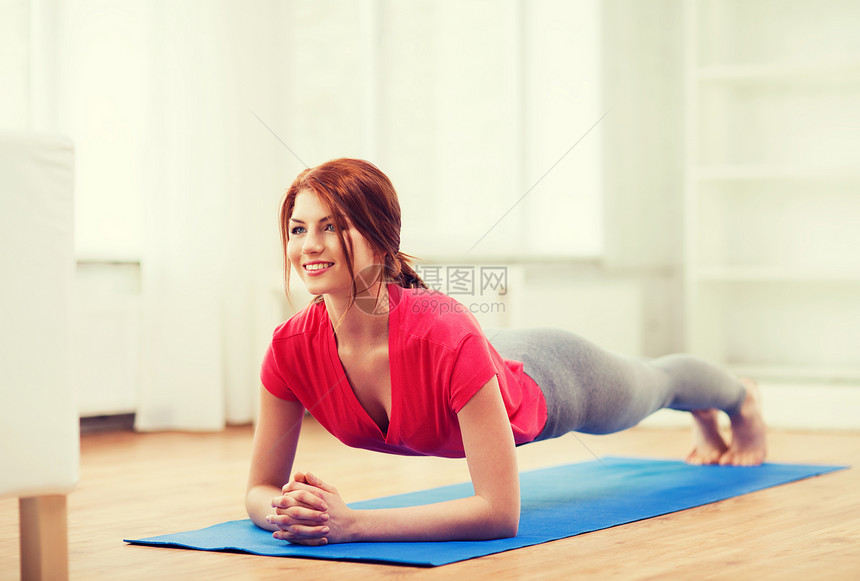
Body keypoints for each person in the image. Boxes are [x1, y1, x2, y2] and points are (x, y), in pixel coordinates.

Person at [245, 158, 767, 546]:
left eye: (330, 226)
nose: (309, 244)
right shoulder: (289, 350)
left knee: (655, 384)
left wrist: (351, 523)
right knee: (656, 385)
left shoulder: (443, 330)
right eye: (298, 229)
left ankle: (740, 400)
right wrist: (292, 512)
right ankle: (706, 408)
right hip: (481, 361)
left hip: (550, 375)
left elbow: (499, 514)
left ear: (381, 241)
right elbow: (259, 490)